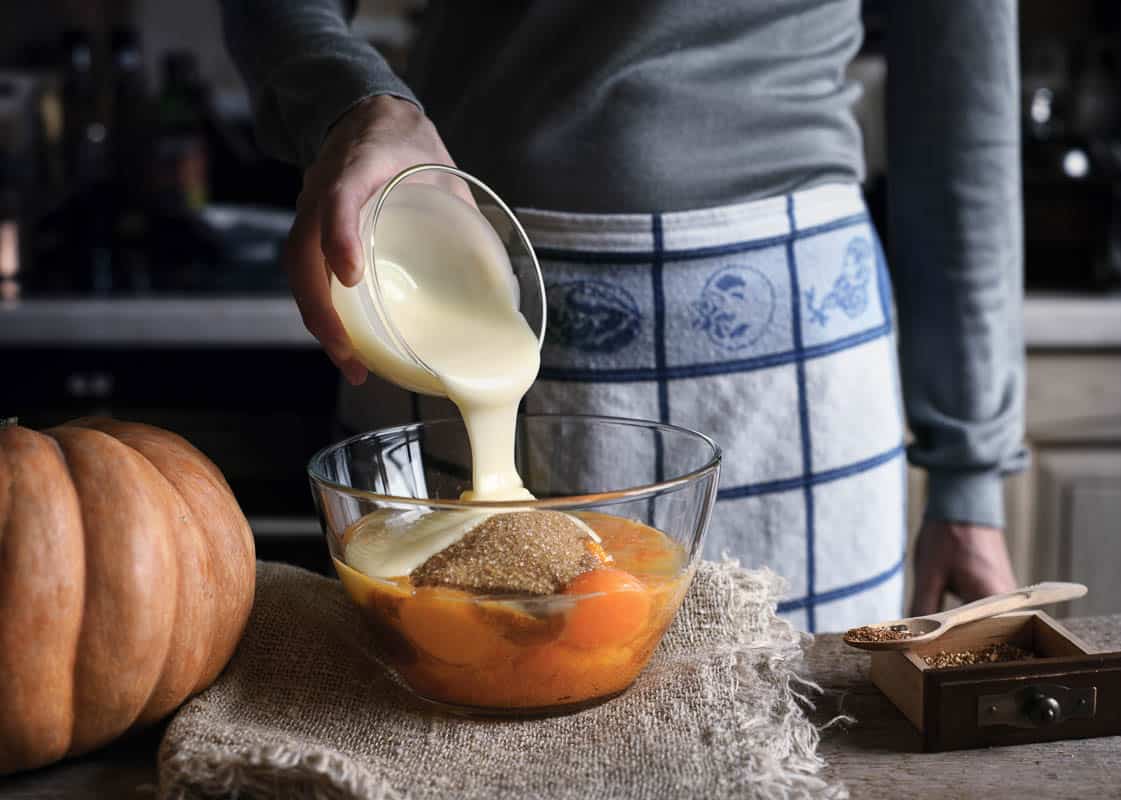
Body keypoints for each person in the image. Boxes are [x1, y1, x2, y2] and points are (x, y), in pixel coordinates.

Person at [219, 0, 1026, 631]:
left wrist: (969, 475)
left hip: (789, 359)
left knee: (795, 742)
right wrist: (354, 103)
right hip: (453, 273)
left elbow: (961, 93)